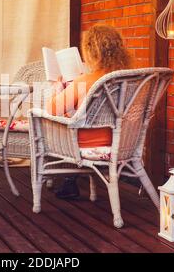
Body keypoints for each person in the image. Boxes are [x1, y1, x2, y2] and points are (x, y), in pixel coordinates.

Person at [46, 24, 132, 199]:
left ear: (91, 52)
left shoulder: (84, 80)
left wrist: (58, 89)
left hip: (87, 143)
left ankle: (69, 179)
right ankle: (71, 180)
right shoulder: (129, 79)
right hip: (123, 140)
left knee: (65, 118)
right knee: (76, 114)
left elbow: (52, 110)